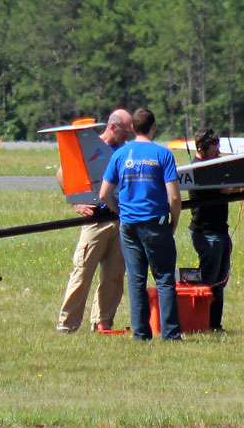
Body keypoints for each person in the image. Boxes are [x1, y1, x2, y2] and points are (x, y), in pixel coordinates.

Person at [98, 108, 182, 341]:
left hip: (129, 225)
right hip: (155, 222)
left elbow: (104, 193)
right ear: (153, 128)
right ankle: (171, 333)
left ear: (133, 128)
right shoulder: (163, 154)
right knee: (164, 278)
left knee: (136, 280)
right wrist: (173, 222)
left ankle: (141, 333)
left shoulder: (120, 154)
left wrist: (121, 211)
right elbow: (174, 197)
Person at [55, 108, 134, 334]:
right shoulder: (92, 147)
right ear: (113, 127)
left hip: (119, 219)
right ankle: (66, 324)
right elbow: (62, 173)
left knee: (114, 275)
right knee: (82, 272)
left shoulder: (126, 150)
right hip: (95, 221)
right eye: (126, 131)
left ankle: (102, 322)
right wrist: (76, 203)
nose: (128, 135)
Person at [188, 127, 232, 331]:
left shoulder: (211, 165)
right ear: (201, 149)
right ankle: (201, 322)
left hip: (220, 230)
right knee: (210, 281)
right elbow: (226, 188)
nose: (218, 153)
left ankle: (215, 324)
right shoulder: (199, 169)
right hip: (206, 232)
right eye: (215, 150)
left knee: (220, 281)